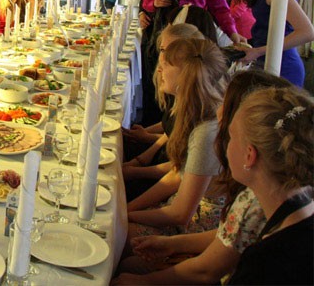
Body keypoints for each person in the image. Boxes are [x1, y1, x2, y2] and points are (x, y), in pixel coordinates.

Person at [114, 70, 294, 285]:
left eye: (231, 137)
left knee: (124, 258)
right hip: (201, 247)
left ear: (250, 154)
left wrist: (145, 281)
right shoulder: (255, 197)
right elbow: (227, 236)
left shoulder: (281, 225)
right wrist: (172, 244)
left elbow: (207, 270)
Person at [126, 38, 229, 248]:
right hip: (180, 207)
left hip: (198, 226)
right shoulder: (194, 109)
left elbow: (181, 215)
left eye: (165, 65)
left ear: (185, 76)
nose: (159, 70)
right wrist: (128, 208)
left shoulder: (206, 131)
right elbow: (178, 173)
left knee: (114, 236)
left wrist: (123, 215)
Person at [226, 86, 313, 285]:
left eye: (231, 137)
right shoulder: (303, 214)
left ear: (249, 155)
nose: (226, 146)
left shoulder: (266, 263)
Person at [123, 24, 206, 201]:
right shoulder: (179, 91)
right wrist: (141, 157)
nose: (162, 60)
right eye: (162, 50)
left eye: (171, 53)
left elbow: (178, 169)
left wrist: (137, 169)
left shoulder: (199, 109)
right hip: (160, 162)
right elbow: (170, 130)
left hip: (165, 176)